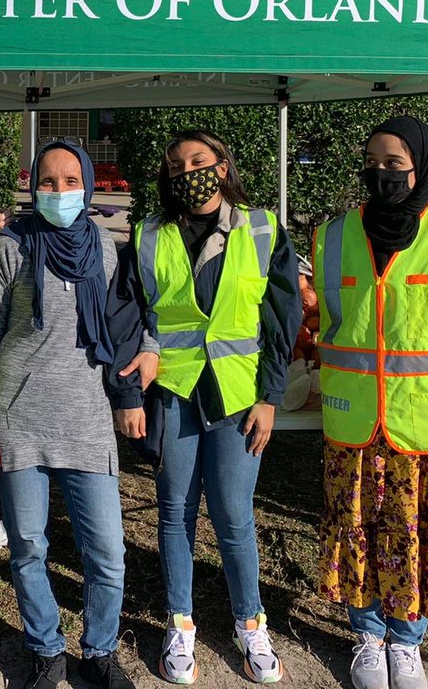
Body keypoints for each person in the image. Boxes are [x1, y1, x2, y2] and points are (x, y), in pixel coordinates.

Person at [312, 116, 428, 689]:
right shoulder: (334, 234)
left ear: (421, 166)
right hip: (357, 422)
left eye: (396, 163)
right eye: (373, 161)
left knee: (421, 526)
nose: (382, 172)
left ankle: (407, 640)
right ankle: (368, 635)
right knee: (359, 523)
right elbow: (327, 313)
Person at [109, 129, 300, 686]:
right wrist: (134, 381)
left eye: (198, 160)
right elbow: (131, 313)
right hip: (173, 393)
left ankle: (250, 622)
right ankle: (181, 622)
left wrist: (269, 398)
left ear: (222, 165)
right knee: (174, 513)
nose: (188, 171)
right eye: (176, 165)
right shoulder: (147, 235)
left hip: (238, 398)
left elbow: (280, 322)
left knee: (235, 517)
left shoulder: (262, 229)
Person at [0, 141, 135, 689]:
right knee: (29, 547)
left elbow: (129, 317)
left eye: (69, 181)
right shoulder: (10, 247)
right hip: (18, 420)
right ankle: (45, 649)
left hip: (86, 420)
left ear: (86, 185)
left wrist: (149, 348)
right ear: (32, 186)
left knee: (107, 552)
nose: (58, 192)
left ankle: (100, 653)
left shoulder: (106, 249)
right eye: (47, 181)